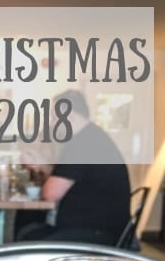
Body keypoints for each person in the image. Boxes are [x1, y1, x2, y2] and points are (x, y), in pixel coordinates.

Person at [15, 90, 131, 246]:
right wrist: (42, 165)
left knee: (26, 234)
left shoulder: (82, 144)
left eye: (54, 118)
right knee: (26, 226)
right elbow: (68, 177)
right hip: (100, 227)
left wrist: (43, 168)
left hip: (93, 233)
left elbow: (50, 194)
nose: (51, 124)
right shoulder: (91, 136)